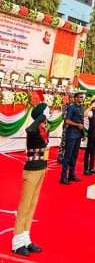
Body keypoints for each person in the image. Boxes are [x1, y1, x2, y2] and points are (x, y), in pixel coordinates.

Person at [12, 103, 50, 257]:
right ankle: (16, 242)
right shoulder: (33, 129)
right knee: (24, 206)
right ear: (41, 115)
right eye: (47, 113)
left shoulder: (42, 128)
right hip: (32, 170)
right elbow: (30, 128)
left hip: (41, 168)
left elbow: (45, 126)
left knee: (32, 205)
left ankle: (25, 238)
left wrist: (44, 118)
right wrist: (41, 115)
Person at [60, 92, 85, 184]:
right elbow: (67, 121)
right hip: (71, 134)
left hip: (78, 134)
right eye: (80, 97)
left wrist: (83, 133)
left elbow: (81, 120)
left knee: (74, 156)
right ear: (75, 98)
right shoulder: (71, 107)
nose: (82, 98)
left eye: (82, 97)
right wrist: (77, 125)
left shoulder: (81, 108)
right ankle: (63, 177)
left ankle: (71, 174)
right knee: (68, 156)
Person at [83, 99, 95, 175]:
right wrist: (91, 106)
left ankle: (91, 168)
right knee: (88, 151)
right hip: (92, 134)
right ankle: (85, 169)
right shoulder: (91, 112)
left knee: (94, 152)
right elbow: (84, 114)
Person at [57, 92, 74, 164]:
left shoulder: (76, 107)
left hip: (73, 127)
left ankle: (68, 157)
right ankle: (61, 157)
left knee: (71, 143)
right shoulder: (65, 106)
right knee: (64, 142)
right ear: (70, 98)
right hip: (66, 127)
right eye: (73, 97)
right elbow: (64, 116)